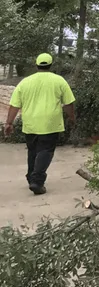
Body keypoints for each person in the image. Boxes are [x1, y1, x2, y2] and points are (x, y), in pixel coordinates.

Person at [3, 53, 76, 195]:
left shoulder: (25, 82)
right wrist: (71, 118)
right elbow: (68, 103)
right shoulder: (59, 81)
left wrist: (9, 123)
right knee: (46, 151)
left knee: (33, 151)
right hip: (51, 124)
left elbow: (14, 105)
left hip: (30, 123)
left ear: (36, 65)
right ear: (51, 65)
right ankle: (37, 180)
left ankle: (32, 177)